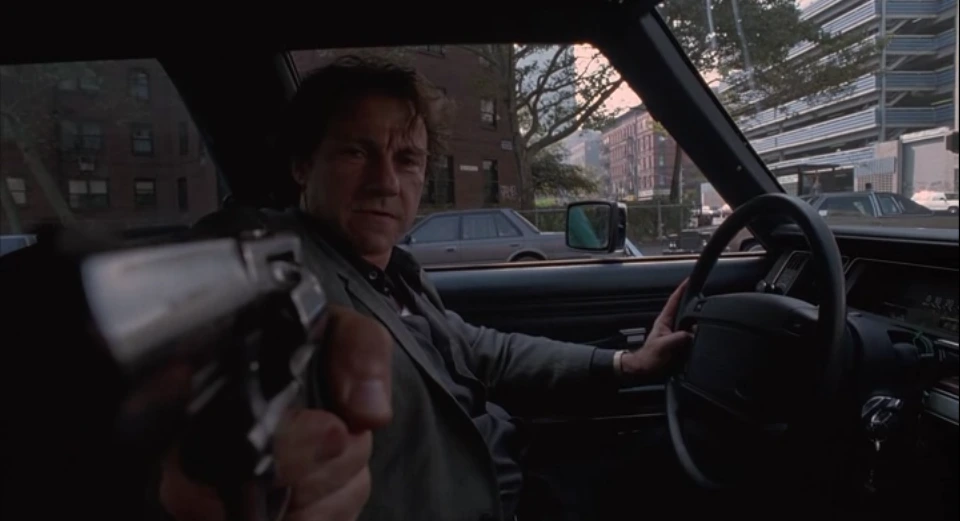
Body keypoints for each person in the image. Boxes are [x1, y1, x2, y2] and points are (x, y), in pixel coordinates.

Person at [163, 55, 692, 521]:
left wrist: (626, 364)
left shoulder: (398, 273)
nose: (385, 182)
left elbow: (483, 350)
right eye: (356, 153)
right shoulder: (274, 256)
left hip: (521, 476)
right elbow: (202, 309)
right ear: (303, 165)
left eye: (406, 160)